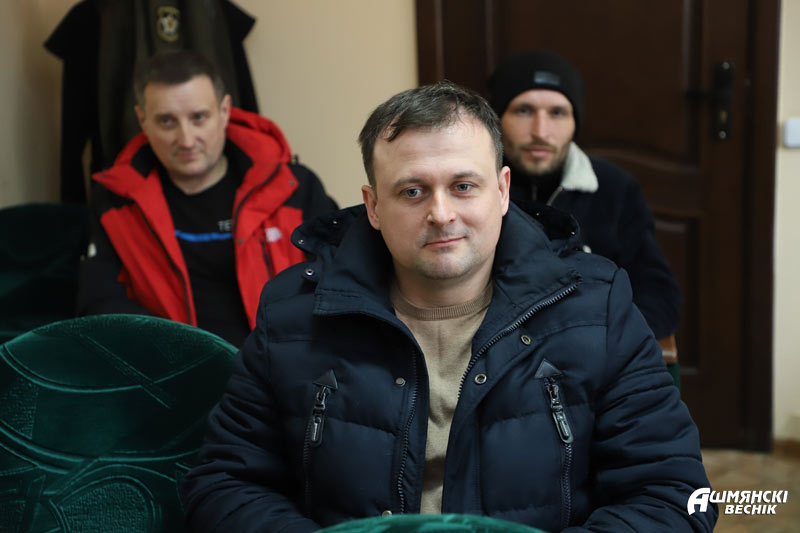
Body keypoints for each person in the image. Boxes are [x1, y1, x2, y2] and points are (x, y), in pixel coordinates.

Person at [181, 82, 717, 532]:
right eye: (412, 192)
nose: (441, 214)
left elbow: (676, 494)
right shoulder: (292, 312)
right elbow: (223, 484)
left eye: (463, 186)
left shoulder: (598, 308)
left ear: (502, 192)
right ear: (373, 206)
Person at [77, 51, 337, 347]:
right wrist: (172, 357)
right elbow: (101, 304)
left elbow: (342, 280)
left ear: (224, 111)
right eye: (166, 121)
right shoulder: (115, 202)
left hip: (285, 364)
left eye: (198, 118)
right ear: (143, 121)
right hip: (173, 366)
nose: (186, 140)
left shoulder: (294, 187)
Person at [489, 49, 681, 345]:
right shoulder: (474, 189)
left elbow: (659, 295)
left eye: (557, 113)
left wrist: (603, 344)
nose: (540, 132)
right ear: (498, 119)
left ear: (575, 123)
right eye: (524, 111)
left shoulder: (615, 188)